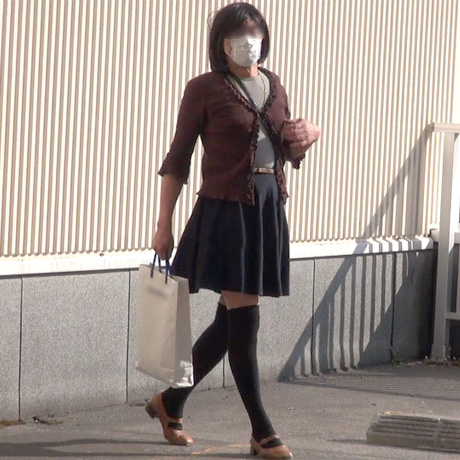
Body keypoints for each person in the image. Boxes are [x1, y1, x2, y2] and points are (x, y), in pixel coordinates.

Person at [148, 2, 321, 459]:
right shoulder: (204, 88)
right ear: (221, 44)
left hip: (265, 209)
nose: (250, 42)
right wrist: (164, 223)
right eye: (239, 35)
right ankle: (262, 431)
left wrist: (309, 136)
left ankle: (171, 402)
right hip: (225, 213)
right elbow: (178, 158)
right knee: (244, 320)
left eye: (256, 33)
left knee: (230, 322)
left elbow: (284, 146)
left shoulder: (275, 85)